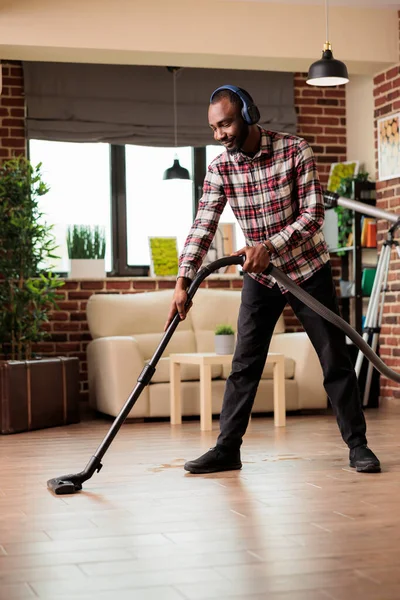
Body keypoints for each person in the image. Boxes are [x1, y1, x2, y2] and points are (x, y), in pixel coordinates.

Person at [164, 84, 381, 475]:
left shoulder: (295, 150)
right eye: (214, 128)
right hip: (262, 279)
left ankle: (358, 446)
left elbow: (314, 215)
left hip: (308, 271)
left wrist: (269, 246)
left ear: (248, 113)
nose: (220, 135)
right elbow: (203, 225)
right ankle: (227, 449)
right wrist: (183, 279)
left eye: (226, 124)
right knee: (244, 364)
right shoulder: (220, 167)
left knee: (333, 358)